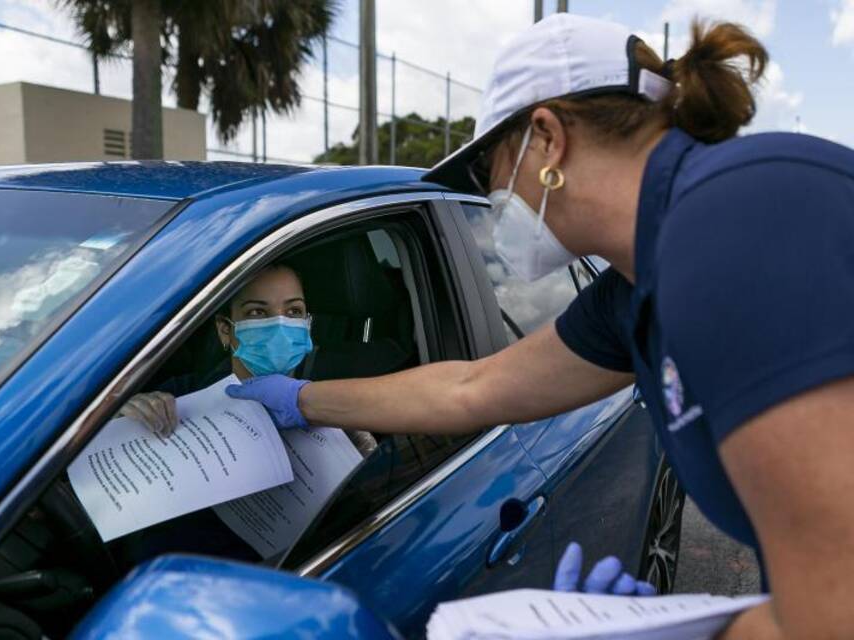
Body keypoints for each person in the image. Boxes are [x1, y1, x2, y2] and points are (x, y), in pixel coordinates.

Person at [226, 13, 854, 638]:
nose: (492, 201)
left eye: (486, 173)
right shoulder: (634, 290)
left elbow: (832, 613)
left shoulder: (740, 218)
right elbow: (470, 387)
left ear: (548, 139)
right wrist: (298, 400)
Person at [117, 263, 377, 452]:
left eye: (294, 311)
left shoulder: (336, 407)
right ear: (225, 330)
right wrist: (123, 418)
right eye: (257, 313)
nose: (280, 324)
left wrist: (365, 460)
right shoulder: (181, 398)